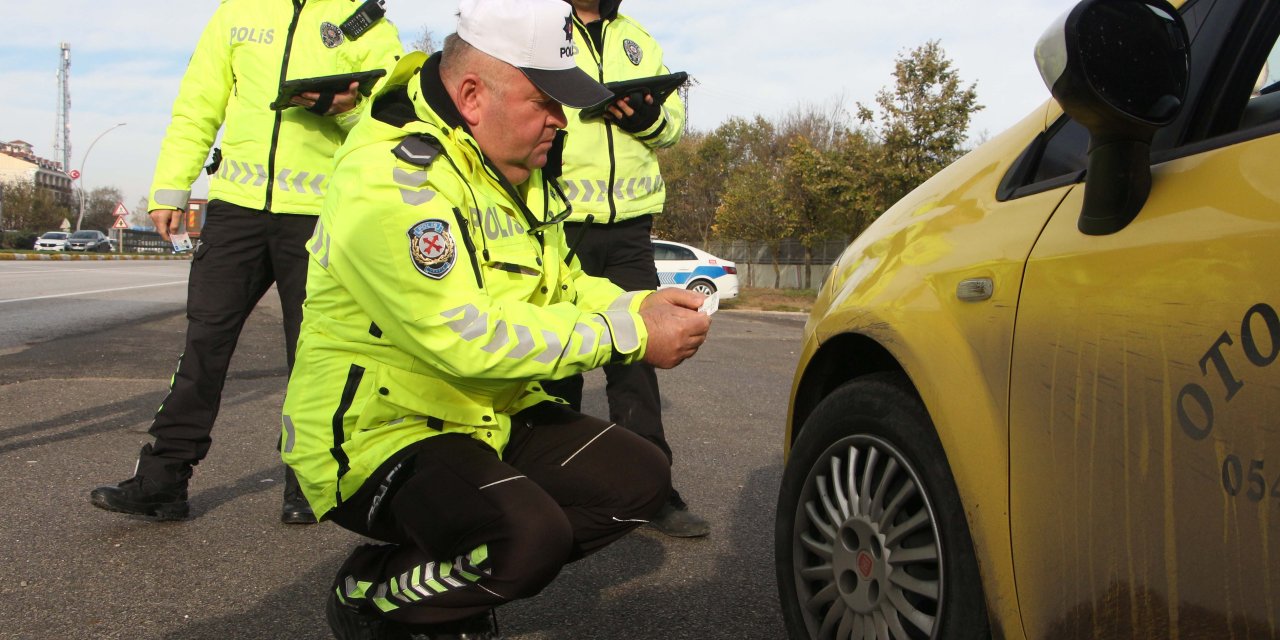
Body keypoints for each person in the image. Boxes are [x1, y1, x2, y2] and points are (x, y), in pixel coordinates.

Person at [280, 0, 713, 636]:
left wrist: (635, 304)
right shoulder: (392, 180)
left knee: (639, 480)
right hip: (381, 430)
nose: (562, 121)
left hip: (486, 414)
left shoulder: (512, 168)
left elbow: (561, 282)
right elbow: (463, 337)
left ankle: (454, 573)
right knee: (527, 539)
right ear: (474, 96)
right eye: (545, 101)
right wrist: (631, 334)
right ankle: (371, 598)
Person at [89, 0, 404, 524]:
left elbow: (395, 123)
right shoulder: (237, 10)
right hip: (235, 209)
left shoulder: (366, 20)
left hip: (321, 215)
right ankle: (163, 480)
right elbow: (197, 104)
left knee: (314, 355)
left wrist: (343, 109)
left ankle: (310, 482)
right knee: (202, 347)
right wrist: (170, 188)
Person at [542, 0, 707, 538]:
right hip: (560, 221)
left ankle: (653, 491)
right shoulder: (544, 28)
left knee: (638, 353)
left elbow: (674, 125)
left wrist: (650, 117)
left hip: (631, 228)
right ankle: (550, 484)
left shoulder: (639, 38)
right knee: (557, 358)